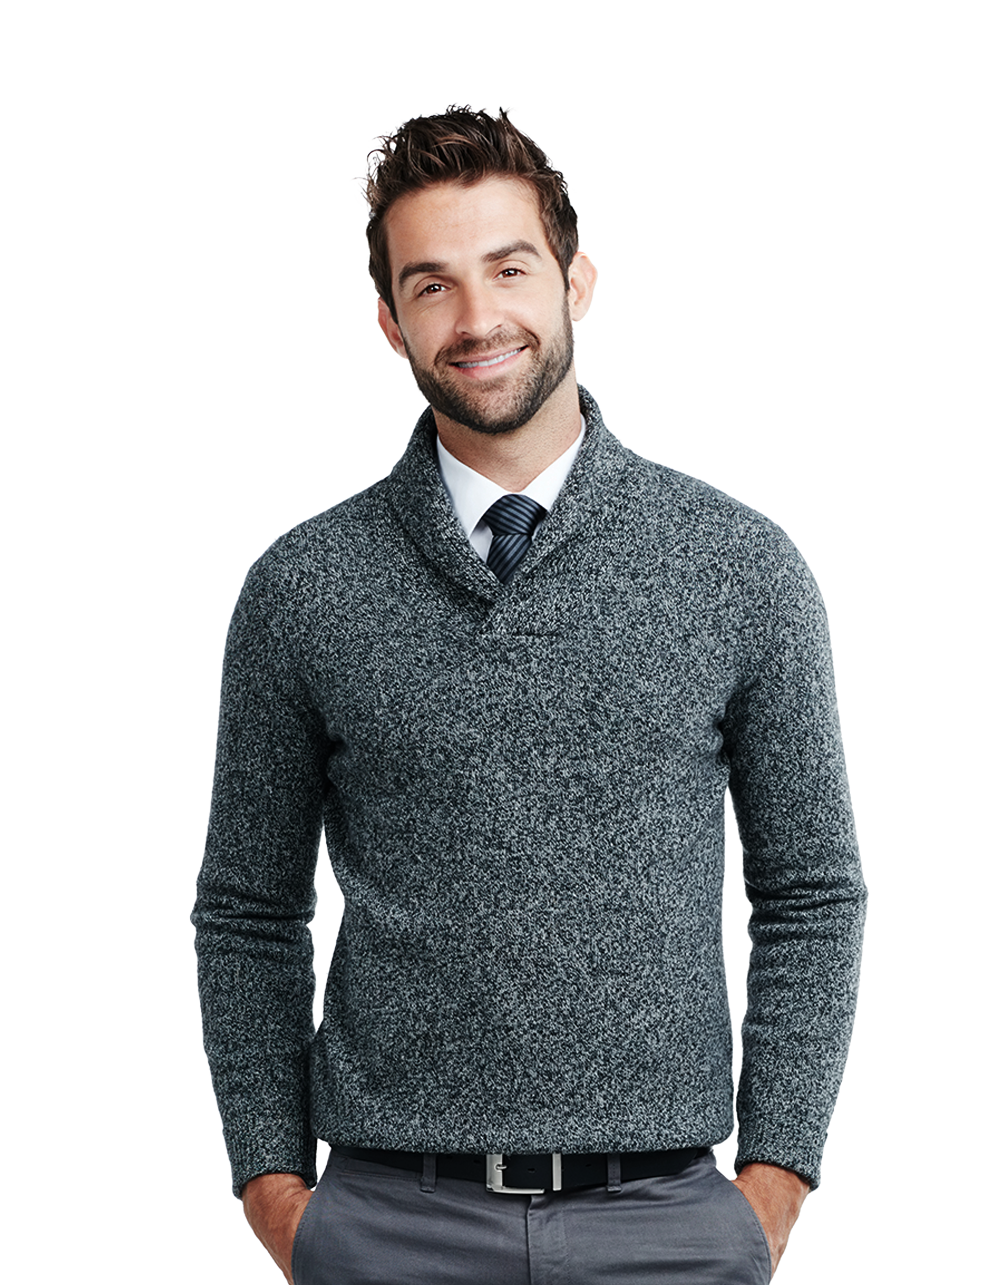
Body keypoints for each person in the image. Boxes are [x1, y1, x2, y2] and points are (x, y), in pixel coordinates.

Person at [193, 106, 866, 1285]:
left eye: (508, 269)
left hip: (667, 1223)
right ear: (390, 320)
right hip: (387, 1224)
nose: (476, 317)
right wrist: (275, 1191)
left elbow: (811, 891)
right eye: (432, 284)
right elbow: (249, 909)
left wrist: (772, 1185)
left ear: (575, 280)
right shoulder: (303, 587)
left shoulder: (737, 566)